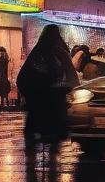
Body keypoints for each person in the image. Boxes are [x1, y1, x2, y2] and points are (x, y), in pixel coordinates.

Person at [17, 25, 79, 161]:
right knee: (56, 117)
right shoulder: (59, 50)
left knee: (33, 118)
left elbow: (24, 76)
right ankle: (52, 148)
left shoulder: (37, 50)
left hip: (33, 91)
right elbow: (71, 75)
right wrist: (74, 89)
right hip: (48, 91)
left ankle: (32, 147)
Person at [0, 46, 12, 112]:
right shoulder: (5, 56)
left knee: (2, 89)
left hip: (2, 75)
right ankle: (5, 103)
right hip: (4, 75)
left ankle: (3, 104)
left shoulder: (1, 56)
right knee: (4, 89)